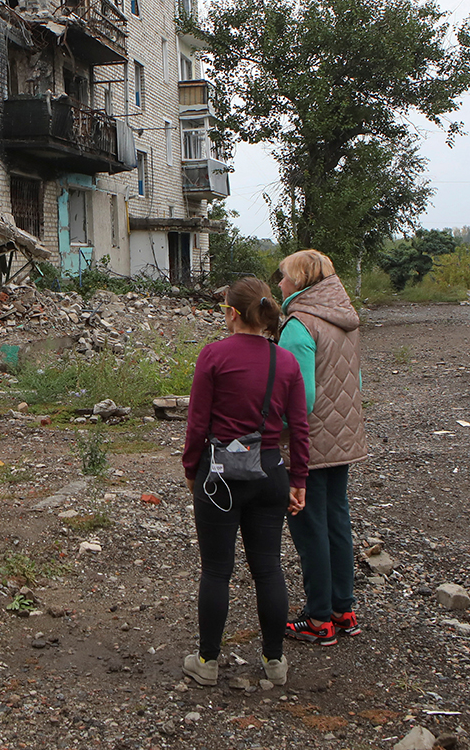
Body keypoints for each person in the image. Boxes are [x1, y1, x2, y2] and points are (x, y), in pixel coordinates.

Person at [181, 277, 310, 687]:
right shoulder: (285, 361)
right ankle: (275, 662)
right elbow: (300, 427)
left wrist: (191, 469)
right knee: (268, 568)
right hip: (270, 472)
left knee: (216, 570)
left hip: (219, 475)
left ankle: (207, 663)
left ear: (232, 313)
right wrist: (299, 478)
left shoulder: (213, 356)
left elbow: (198, 423)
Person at [276, 249, 367, 646]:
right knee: (336, 522)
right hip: (343, 437)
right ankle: (342, 610)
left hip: (309, 442)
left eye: (284, 277)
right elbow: (356, 383)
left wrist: (273, 437)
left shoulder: (299, 325)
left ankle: (317, 619)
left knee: (309, 526)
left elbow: (299, 397)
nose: (279, 284)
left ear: (300, 282)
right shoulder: (345, 321)